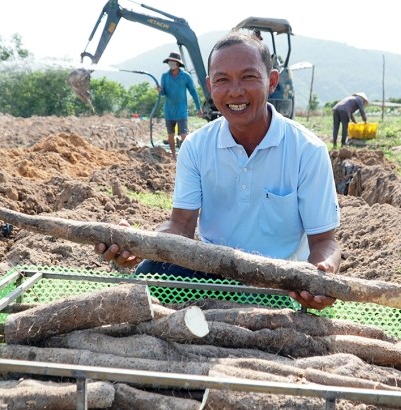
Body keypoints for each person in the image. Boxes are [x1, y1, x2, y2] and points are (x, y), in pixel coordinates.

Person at [96, 30, 341, 311]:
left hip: (281, 283)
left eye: (248, 77)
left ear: (272, 81)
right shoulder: (197, 147)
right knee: (147, 277)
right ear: (210, 87)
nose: (235, 91)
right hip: (211, 273)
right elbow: (181, 225)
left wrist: (323, 275)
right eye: (223, 80)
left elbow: (324, 241)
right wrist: (138, 244)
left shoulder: (308, 150)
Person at [158, 52, 203, 159]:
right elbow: (164, 93)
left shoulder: (185, 77)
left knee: (183, 135)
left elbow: (193, 92)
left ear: (178, 64)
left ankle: (186, 157)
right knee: (170, 135)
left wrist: (198, 107)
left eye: (173, 62)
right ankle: (173, 156)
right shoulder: (164, 77)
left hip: (181, 110)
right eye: (170, 62)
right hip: (169, 111)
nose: (171, 64)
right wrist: (160, 91)